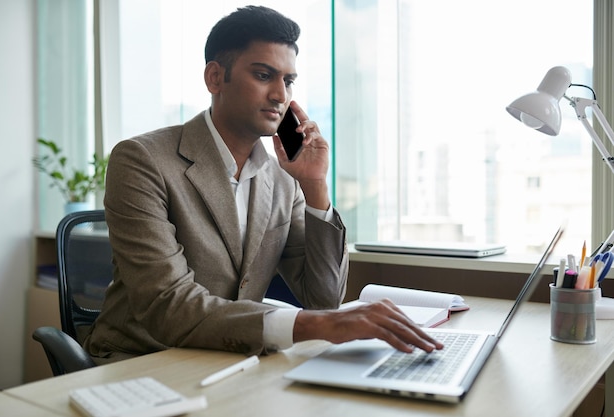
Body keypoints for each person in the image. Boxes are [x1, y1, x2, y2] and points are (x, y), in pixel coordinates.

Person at [84, 5, 442, 364]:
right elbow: (169, 306)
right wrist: (311, 326)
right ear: (214, 78)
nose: (279, 95)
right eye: (263, 75)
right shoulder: (142, 160)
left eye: (288, 81)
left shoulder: (284, 180)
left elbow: (324, 300)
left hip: (234, 359)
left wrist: (315, 185)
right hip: (142, 359)